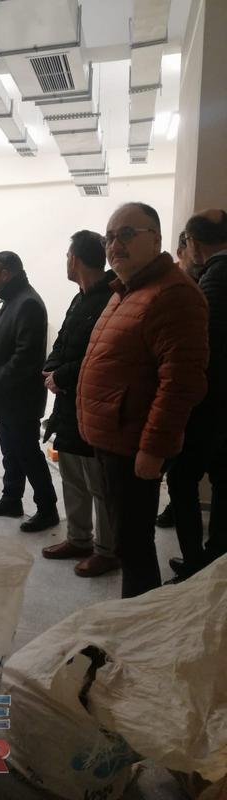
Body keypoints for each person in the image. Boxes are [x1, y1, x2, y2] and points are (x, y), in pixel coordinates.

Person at [77, 203, 209, 598]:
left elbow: (181, 383)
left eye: (127, 234)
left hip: (133, 443)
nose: (114, 245)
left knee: (134, 547)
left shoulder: (173, 294)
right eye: (109, 237)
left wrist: (153, 449)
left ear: (156, 239)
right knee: (126, 541)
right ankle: (134, 614)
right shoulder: (127, 290)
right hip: (113, 437)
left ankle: (138, 619)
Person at [41, 231, 119, 576]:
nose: (66, 262)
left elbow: (101, 356)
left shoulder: (112, 298)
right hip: (68, 407)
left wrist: (61, 375)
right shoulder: (79, 298)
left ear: (74, 258)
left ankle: (108, 550)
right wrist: (51, 368)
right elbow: (63, 341)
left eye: (67, 256)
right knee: (72, 475)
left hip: (96, 407)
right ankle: (79, 538)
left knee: (99, 484)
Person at [165, 209, 227, 581]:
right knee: (222, 478)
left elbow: (204, 350)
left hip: (211, 404)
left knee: (181, 479)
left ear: (193, 243)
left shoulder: (214, 279)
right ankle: (215, 556)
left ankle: (195, 564)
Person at [0, 251, 58, 532]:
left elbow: (26, 356)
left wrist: (0, 379)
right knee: (10, 452)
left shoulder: (28, 303)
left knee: (27, 453)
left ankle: (47, 509)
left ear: (6, 273)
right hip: (7, 397)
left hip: (19, 398)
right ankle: (11, 499)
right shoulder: (14, 300)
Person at [155, 229, 204, 530]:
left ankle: (196, 554)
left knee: (183, 472)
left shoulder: (199, 286)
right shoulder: (173, 285)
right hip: (190, 394)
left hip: (197, 396)